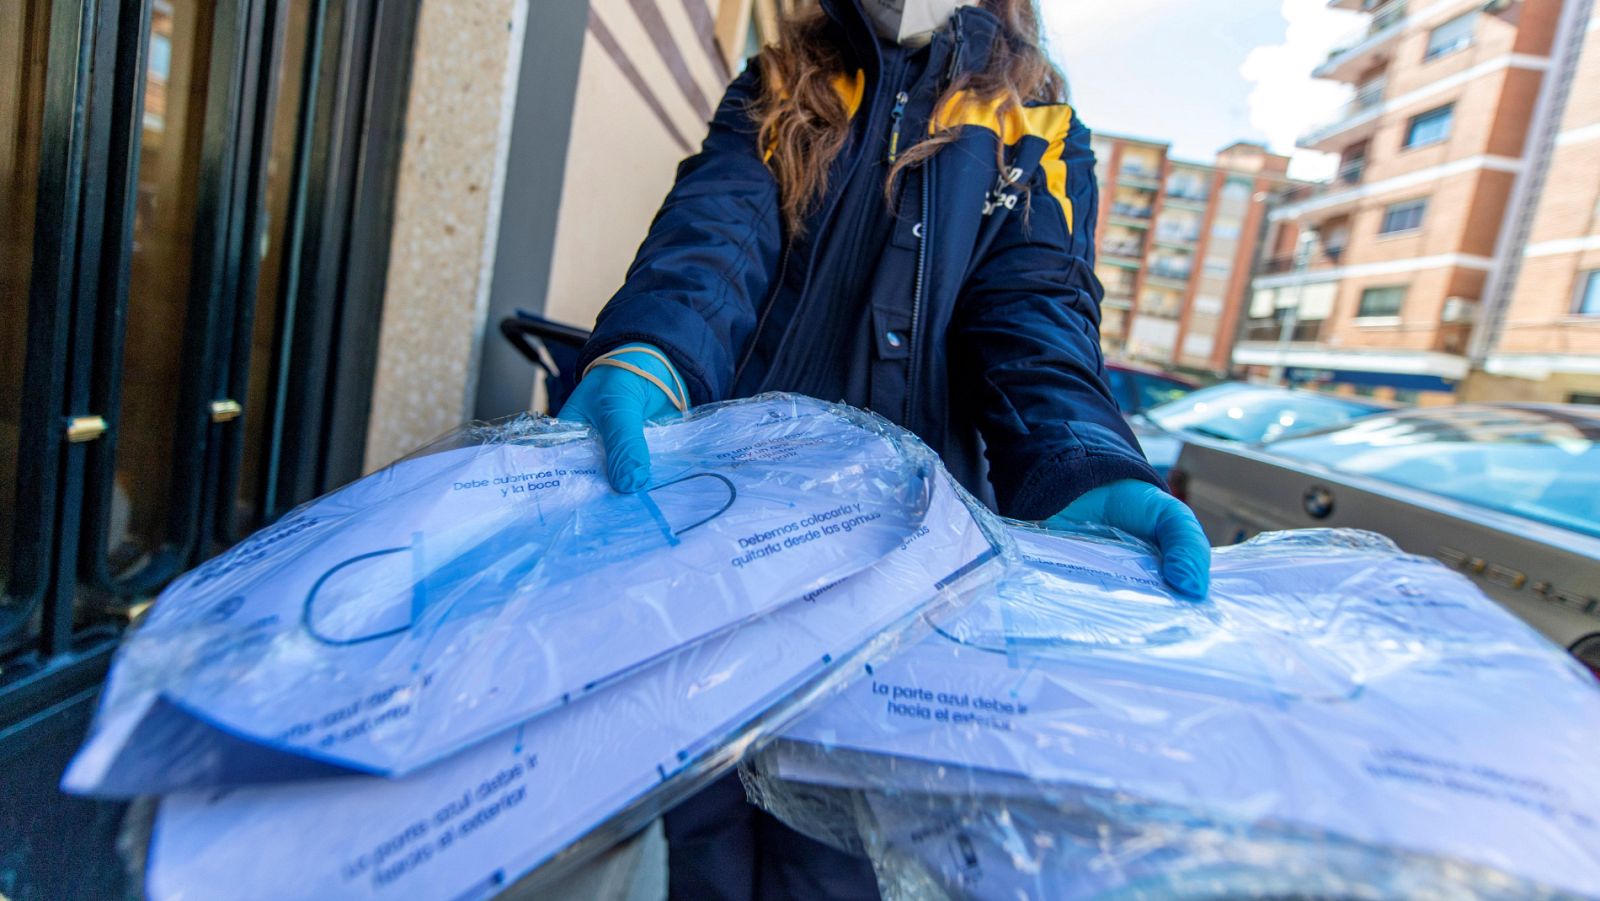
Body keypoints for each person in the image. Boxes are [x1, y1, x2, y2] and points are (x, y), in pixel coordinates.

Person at [560, 0, 1212, 896]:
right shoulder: (782, 81)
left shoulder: (1037, 131)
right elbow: (712, 244)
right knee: (695, 839)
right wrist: (650, 349)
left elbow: (1037, 323)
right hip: (717, 566)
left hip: (900, 594)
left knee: (839, 858)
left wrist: (1080, 460)